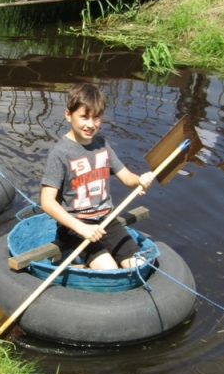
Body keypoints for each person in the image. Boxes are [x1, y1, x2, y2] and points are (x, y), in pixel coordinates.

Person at [40, 83, 156, 271]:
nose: (90, 124)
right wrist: (82, 228)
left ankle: (89, 263)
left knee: (139, 266)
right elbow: (47, 201)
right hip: (75, 227)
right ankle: (81, 266)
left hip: (106, 221)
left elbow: (126, 176)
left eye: (96, 118)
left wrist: (139, 180)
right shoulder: (60, 153)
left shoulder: (102, 144)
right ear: (68, 114)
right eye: (84, 117)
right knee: (109, 269)